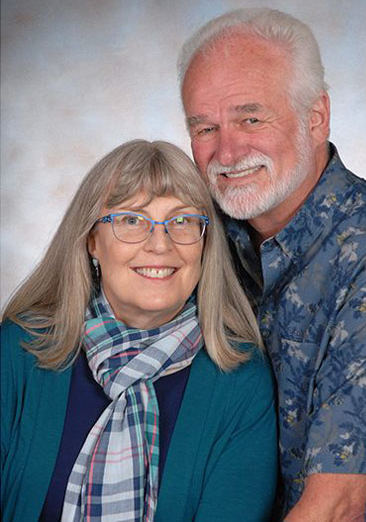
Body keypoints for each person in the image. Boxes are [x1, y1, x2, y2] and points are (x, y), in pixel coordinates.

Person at [178, 8, 366, 522]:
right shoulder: (193, 237)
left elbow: (335, 508)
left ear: (316, 116)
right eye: (205, 127)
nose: (227, 150)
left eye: (250, 118)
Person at [1, 140, 278, 522]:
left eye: (182, 221)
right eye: (132, 220)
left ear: (205, 243)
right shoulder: (18, 351)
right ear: (92, 240)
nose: (160, 245)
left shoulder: (241, 382)